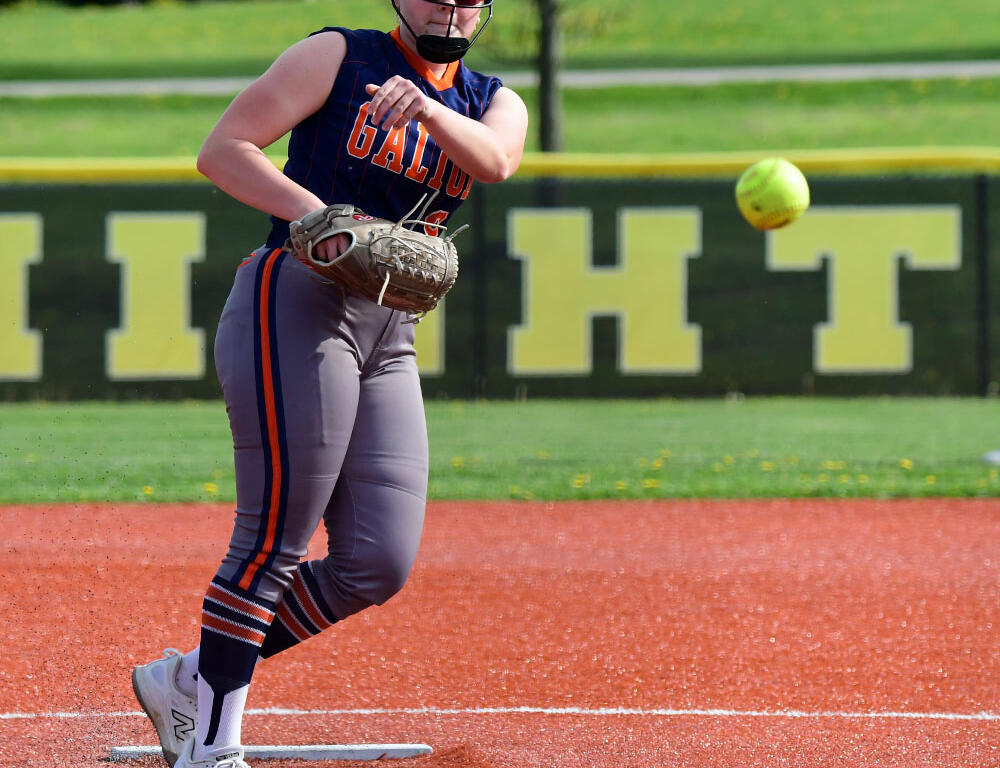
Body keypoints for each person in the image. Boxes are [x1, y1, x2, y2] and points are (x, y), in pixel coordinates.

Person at [130, 3, 528, 767]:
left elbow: (498, 160)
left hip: (389, 332)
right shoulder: (338, 57)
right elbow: (224, 150)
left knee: (377, 561)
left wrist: (432, 111)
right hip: (296, 300)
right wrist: (319, 217)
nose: (451, 7)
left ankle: (187, 681)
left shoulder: (489, 100)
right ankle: (211, 749)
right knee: (275, 534)